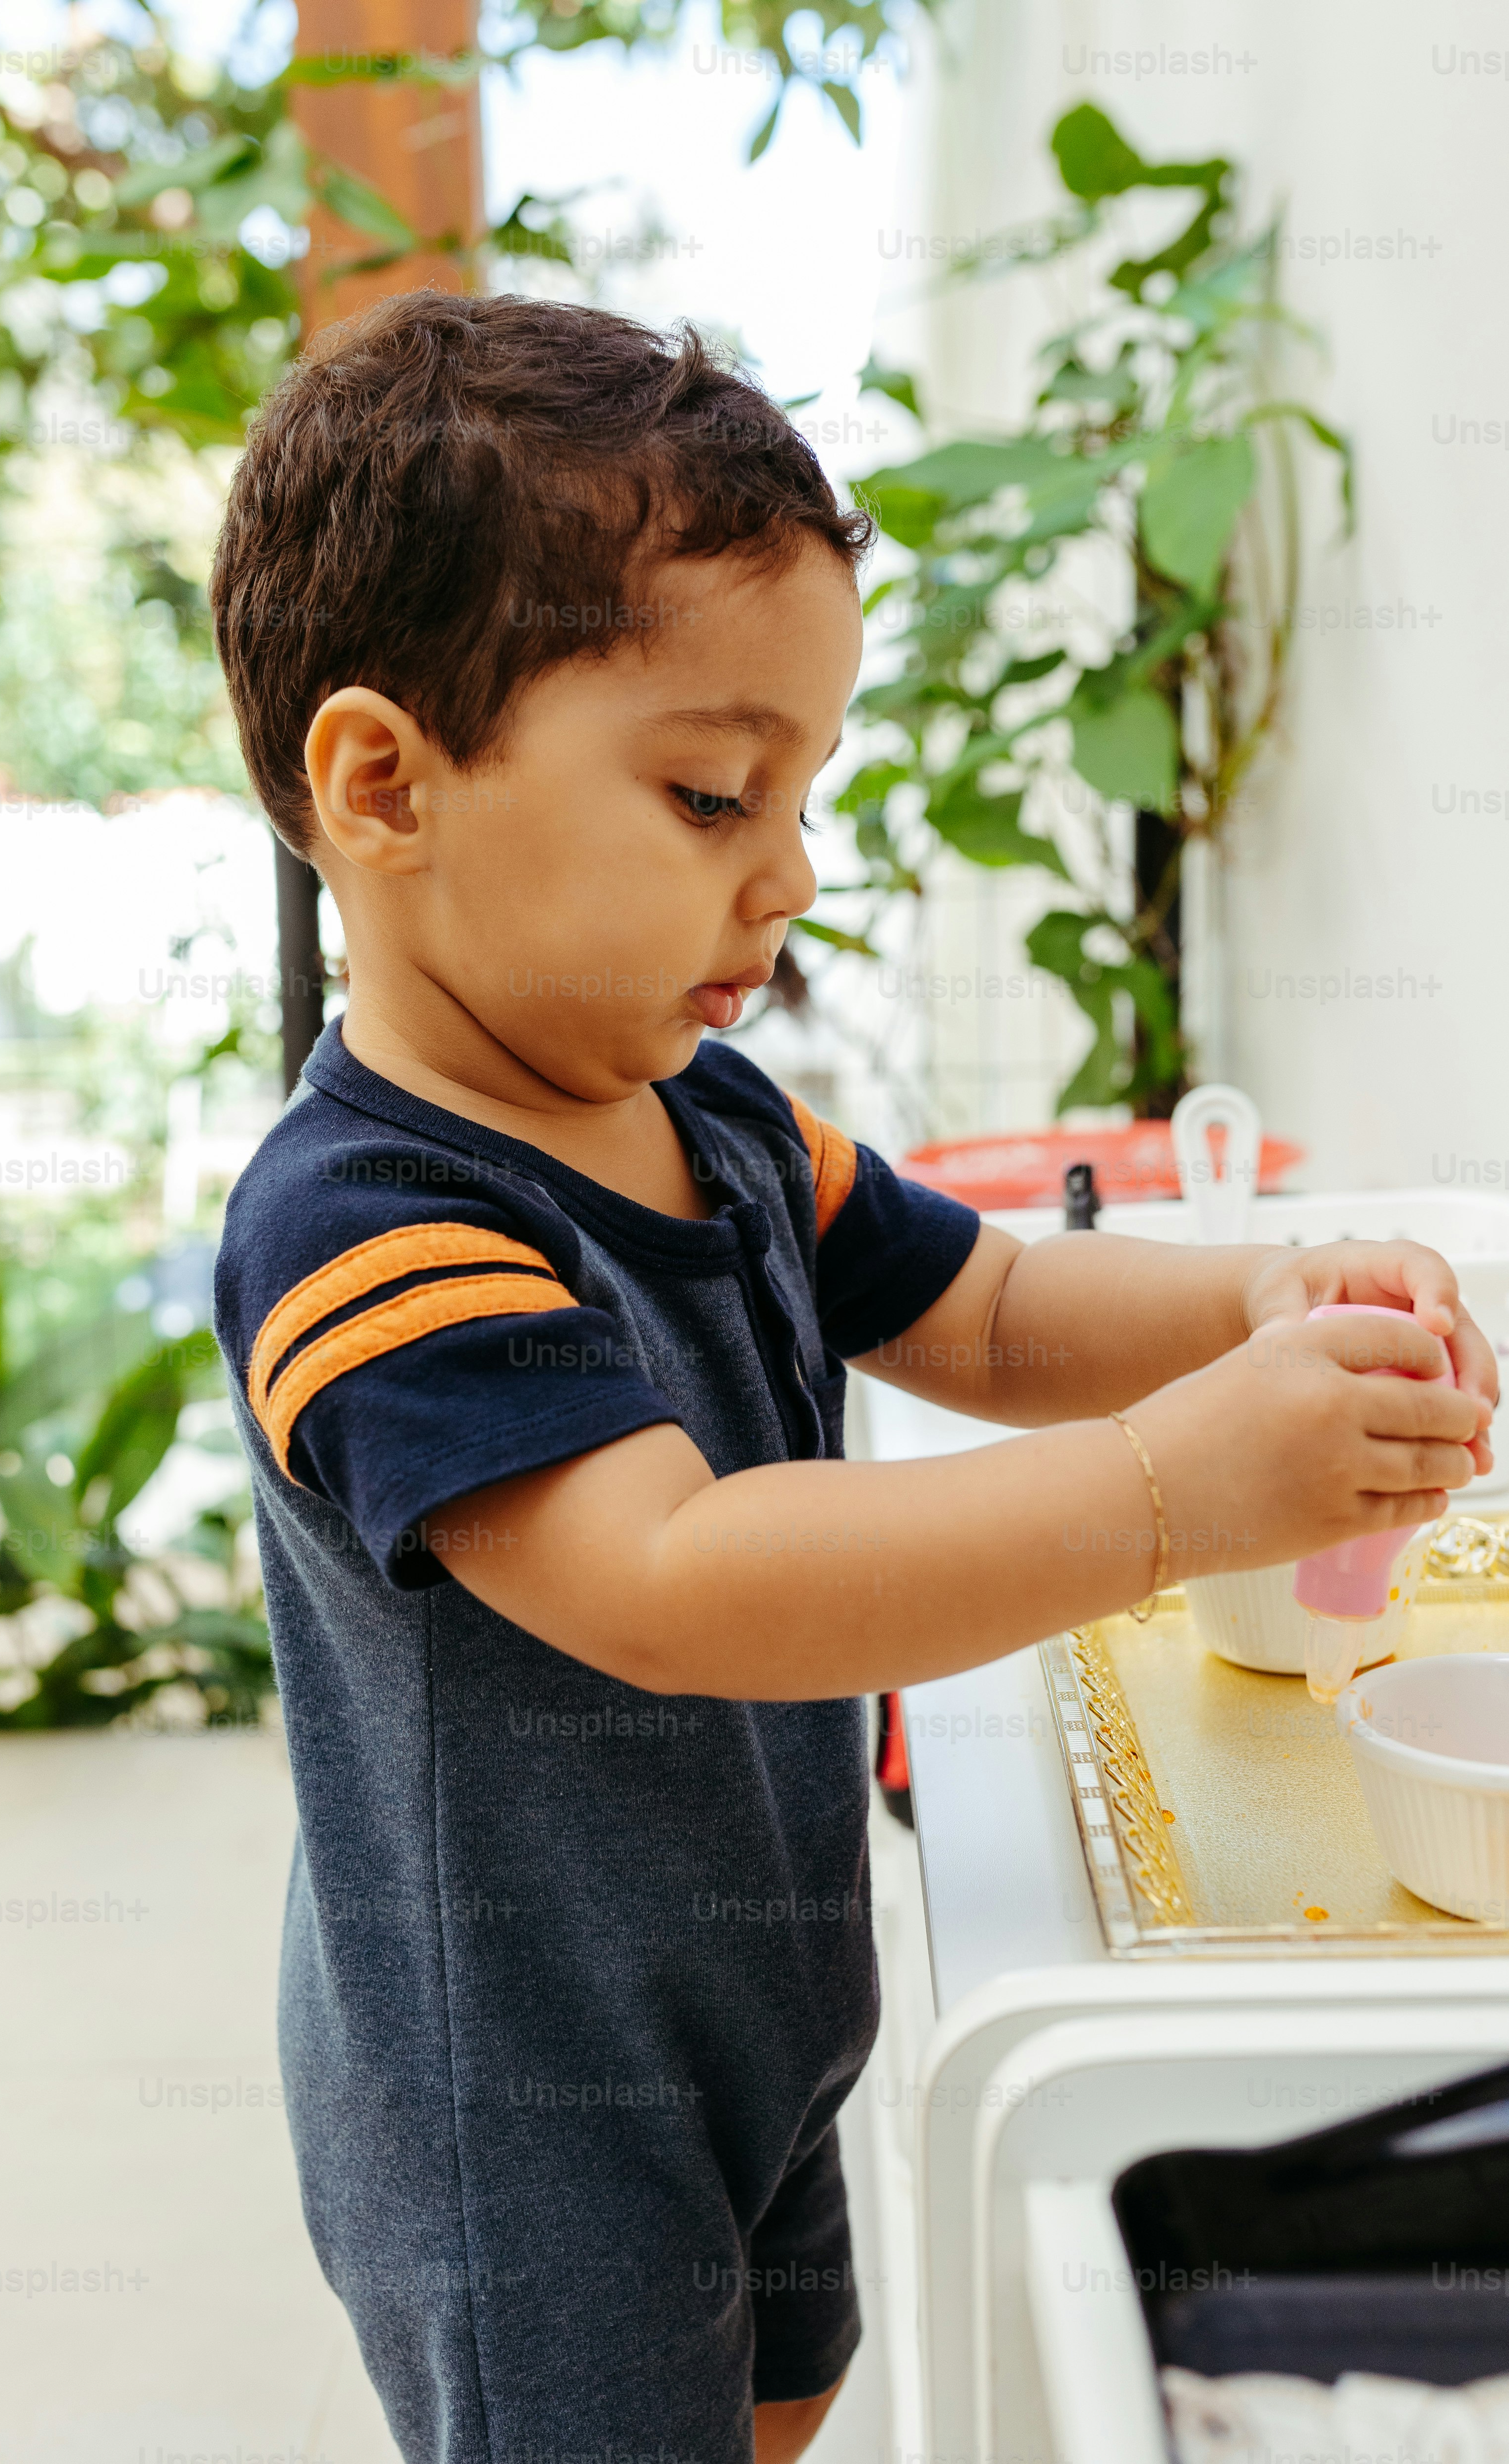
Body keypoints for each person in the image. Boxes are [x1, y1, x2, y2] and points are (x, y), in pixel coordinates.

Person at [209, 292, 1494, 2464]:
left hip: (765, 1998)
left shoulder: (709, 1118)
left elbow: (984, 1308)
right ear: (382, 782)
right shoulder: (364, 1228)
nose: (784, 877)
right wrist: (1181, 1491)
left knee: (781, 2396)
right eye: (713, 790)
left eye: (800, 792)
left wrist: (1265, 1288)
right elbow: (678, 1573)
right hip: (525, 2098)